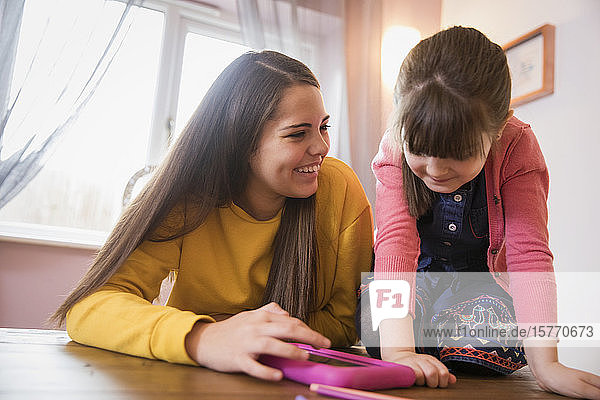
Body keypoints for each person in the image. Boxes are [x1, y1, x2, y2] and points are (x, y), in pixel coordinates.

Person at [51, 50, 373, 381]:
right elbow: (90, 307)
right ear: (242, 142)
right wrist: (204, 336)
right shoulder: (186, 202)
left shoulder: (339, 187)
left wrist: (240, 326)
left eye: (324, 126)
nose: (321, 146)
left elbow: (346, 321)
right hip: (194, 377)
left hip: (291, 379)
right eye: (297, 133)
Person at [358, 26, 600, 398]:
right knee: (376, 316)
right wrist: (400, 352)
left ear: (498, 129)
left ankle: (438, 346)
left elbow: (528, 254)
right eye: (418, 150)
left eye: (460, 154)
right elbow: (394, 249)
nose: (436, 171)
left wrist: (547, 366)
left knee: (489, 326)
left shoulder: (518, 147)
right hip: (415, 284)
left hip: (478, 289)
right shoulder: (392, 148)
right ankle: (419, 345)